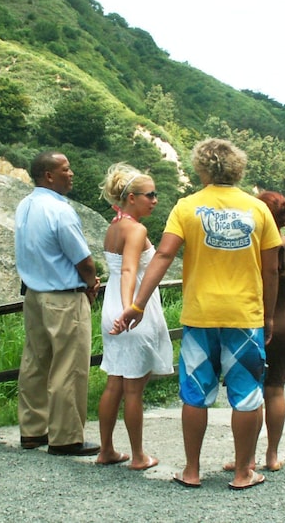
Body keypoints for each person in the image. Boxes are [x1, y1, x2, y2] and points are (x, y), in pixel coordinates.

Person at [112, 138, 281, 491]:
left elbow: (162, 257)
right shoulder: (258, 209)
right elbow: (271, 270)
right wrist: (268, 315)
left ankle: (191, 470)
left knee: (195, 394)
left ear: (202, 168)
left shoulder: (187, 207)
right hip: (244, 316)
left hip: (200, 315)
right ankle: (242, 473)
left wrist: (137, 304)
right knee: (248, 395)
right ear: (237, 167)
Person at [14, 151, 101, 456]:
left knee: (36, 362)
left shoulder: (25, 205)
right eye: (65, 169)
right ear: (49, 175)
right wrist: (91, 284)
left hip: (34, 295)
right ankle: (65, 437)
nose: (71, 173)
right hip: (64, 297)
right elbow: (84, 261)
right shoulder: (60, 210)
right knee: (68, 367)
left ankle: (32, 429)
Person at [95, 163, 173, 470]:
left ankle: (106, 450)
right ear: (131, 198)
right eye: (149, 195)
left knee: (115, 381)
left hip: (110, 306)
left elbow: (121, 269)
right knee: (133, 389)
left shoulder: (113, 226)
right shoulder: (137, 230)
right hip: (130, 311)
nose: (154, 200)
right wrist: (131, 308)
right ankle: (138, 456)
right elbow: (129, 269)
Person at [251, 191, 285, 472]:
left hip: (258, 322)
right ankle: (272, 455)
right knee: (276, 391)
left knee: (251, 394)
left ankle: (246, 457)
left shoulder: (258, 247)